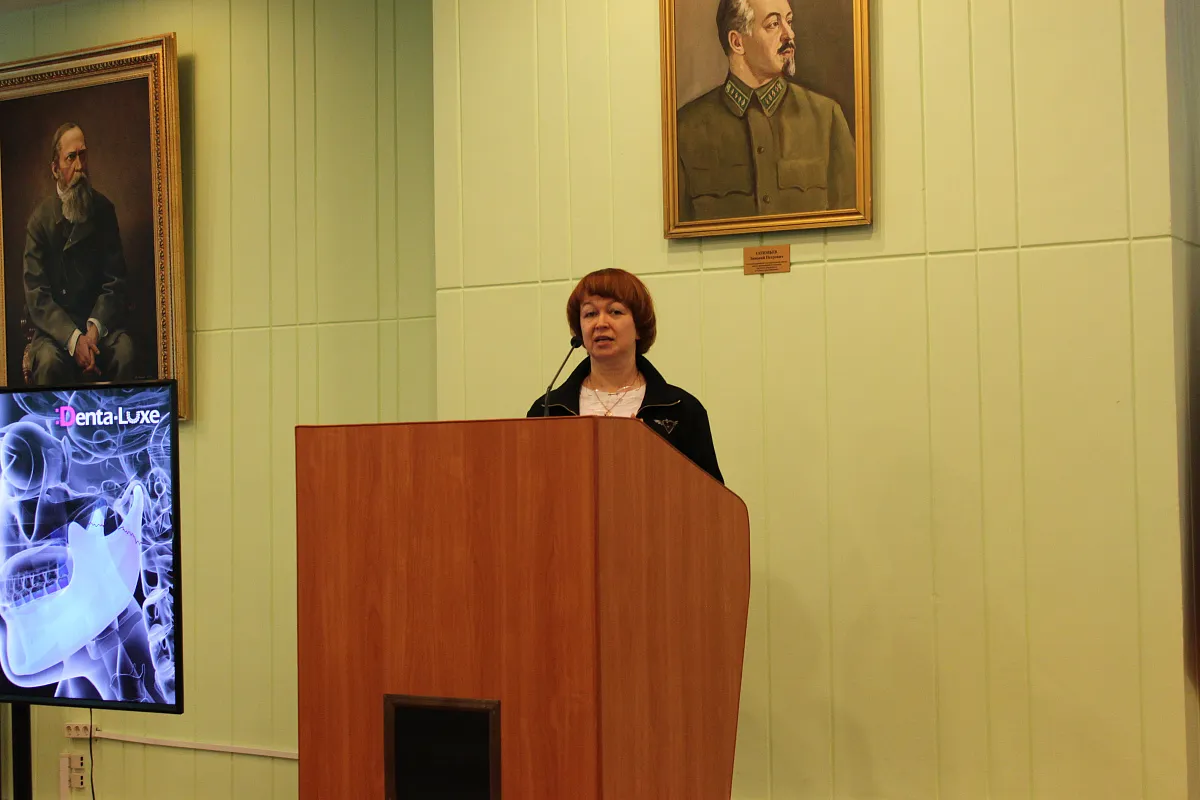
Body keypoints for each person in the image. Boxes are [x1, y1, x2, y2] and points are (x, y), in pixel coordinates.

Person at [526, 268, 724, 484]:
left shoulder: (680, 409)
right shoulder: (548, 410)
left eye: (615, 312)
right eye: (590, 314)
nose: (601, 323)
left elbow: (711, 497)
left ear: (639, 327)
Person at [675, 0, 856, 222]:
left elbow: (850, 223)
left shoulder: (827, 117)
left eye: (789, 22)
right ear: (737, 42)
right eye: (773, 25)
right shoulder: (685, 129)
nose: (789, 34)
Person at [22, 122, 135, 385]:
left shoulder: (104, 210)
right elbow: (37, 296)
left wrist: (93, 331)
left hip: (99, 327)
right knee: (48, 363)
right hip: (56, 333)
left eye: (82, 155)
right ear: (55, 169)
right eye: (70, 157)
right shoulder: (39, 222)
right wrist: (74, 340)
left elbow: (115, 281)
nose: (79, 165)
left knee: (124, 353)